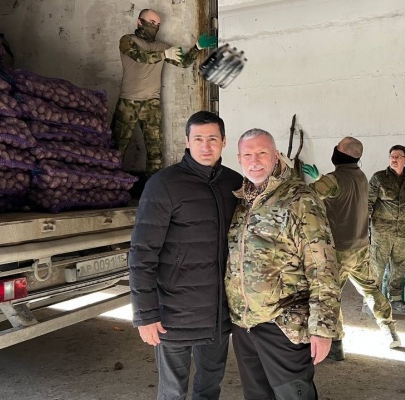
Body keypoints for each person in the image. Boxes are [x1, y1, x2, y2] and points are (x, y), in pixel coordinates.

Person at [128, 111, 242, 399]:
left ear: (224, 141)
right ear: (187, 142)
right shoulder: (164, 184)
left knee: (210, 387)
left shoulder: (235, 184)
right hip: (174, 314)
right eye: (198, 139)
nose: (206, 146)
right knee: (173, 391)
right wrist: (145, 314)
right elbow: (142, 253)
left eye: (212, 139)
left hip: (218, 314)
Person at [226, 129, 340, 400]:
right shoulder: (242, 201)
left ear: (276, 156)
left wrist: (322, 328)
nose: (255, 161)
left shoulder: (299, 199)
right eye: (247, 155)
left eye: (262, 153)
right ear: (239, 159)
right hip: (244, 325)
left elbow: (323, 267)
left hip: (283, 324)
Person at [302, 137, 400, 361]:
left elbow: (306, 196)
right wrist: (321, 178)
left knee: (330, 296)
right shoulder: (361, 176)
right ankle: (389, 330)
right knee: (371, 290)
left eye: (337, 147)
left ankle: (336, 345)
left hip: (339, 251)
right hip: (361, 247)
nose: (335, 149)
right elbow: (340, 193)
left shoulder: (333, 179)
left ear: (341, 154)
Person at [111, 8, 217, 175]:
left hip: (151, 104)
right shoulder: (127, 40)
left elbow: (184, 63)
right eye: (152, 22)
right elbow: (140, 57)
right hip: (128, 103)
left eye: (158, 24)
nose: (155, 26)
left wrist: (197, 47)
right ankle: (109, 184)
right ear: (139, 22)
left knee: (155, 152)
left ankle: (154, 187)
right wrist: (165, 54)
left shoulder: (162, 46)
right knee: (116, 148)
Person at [368, 145, 405, 313]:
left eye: (398, 157)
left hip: (403, 232)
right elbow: (367, 203)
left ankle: (396, 300)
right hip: (382, 231)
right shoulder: (379, 178)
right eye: (392, 156)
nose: (394, 159)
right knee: (377, 266)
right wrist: (363, 228)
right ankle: (371, 301)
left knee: (399, 266)